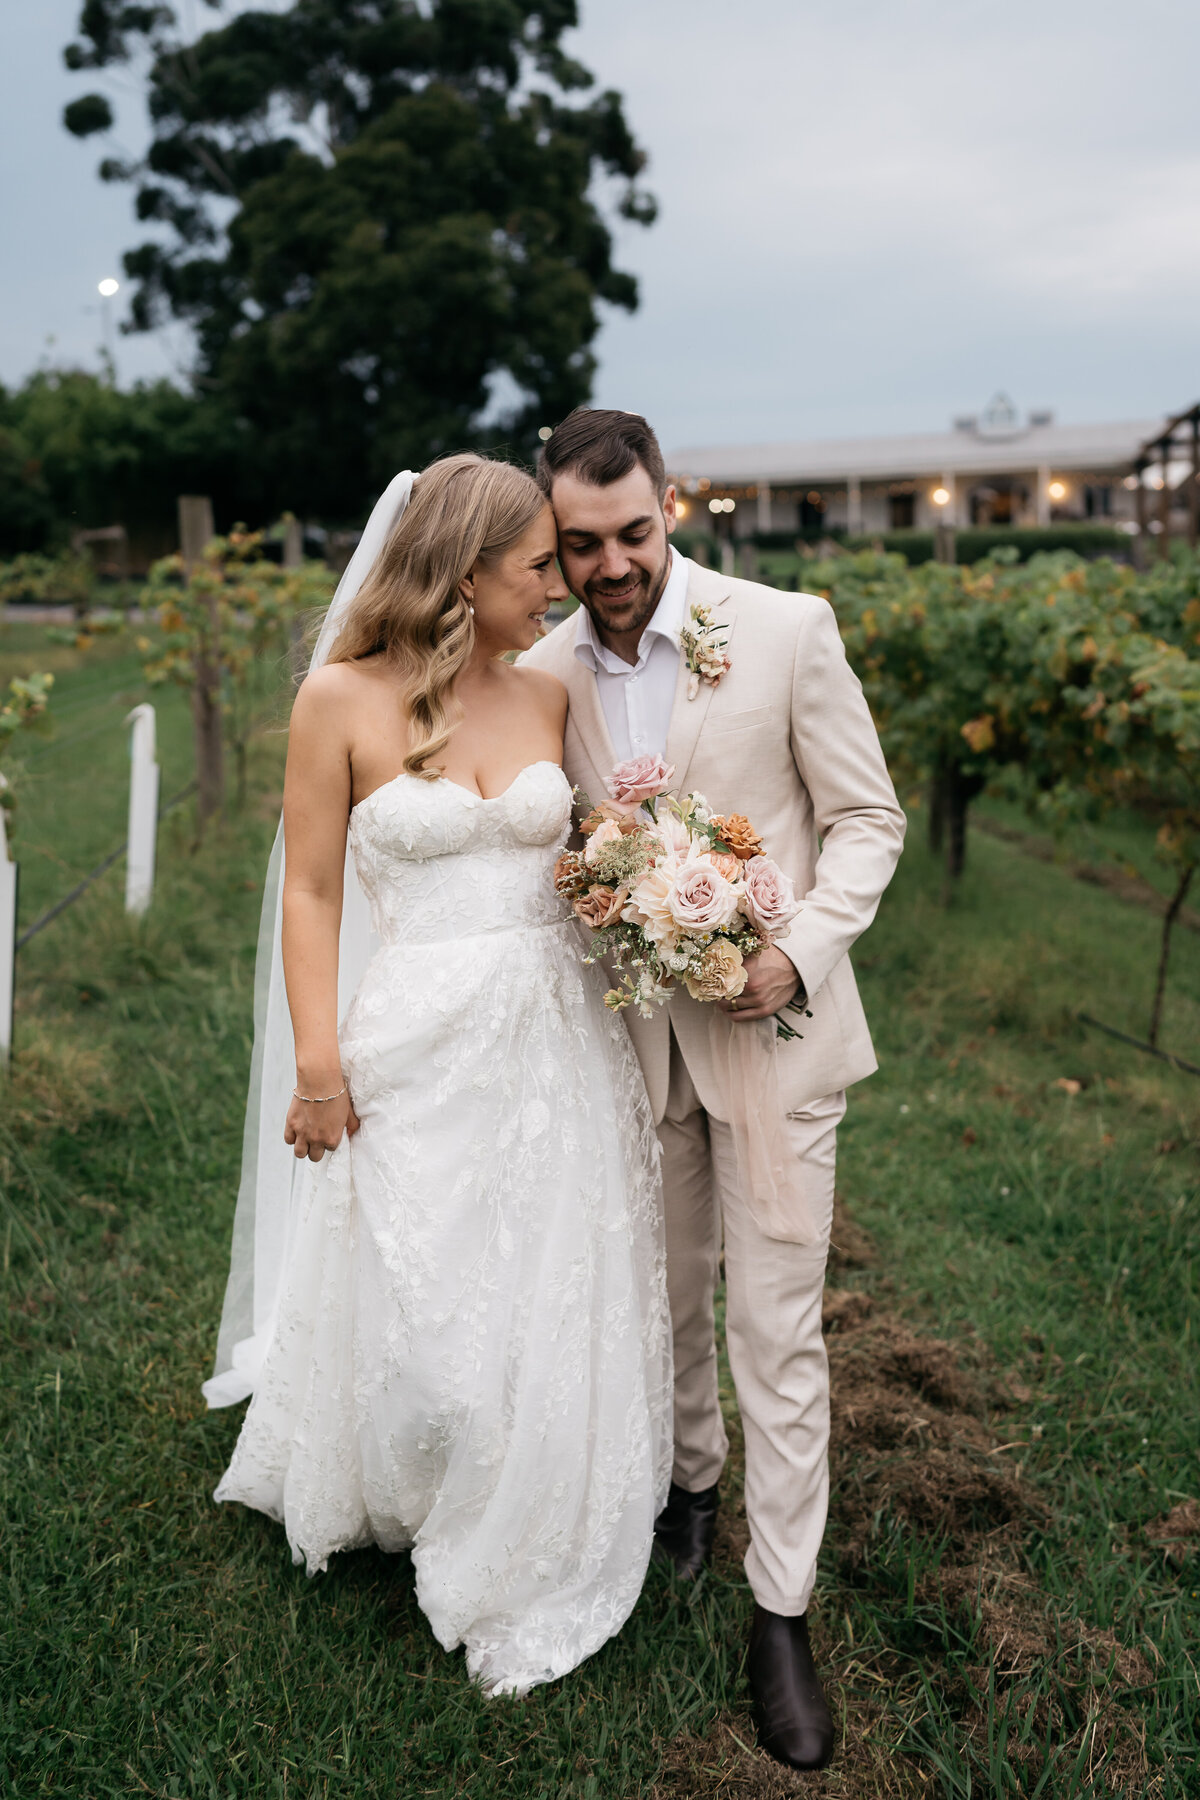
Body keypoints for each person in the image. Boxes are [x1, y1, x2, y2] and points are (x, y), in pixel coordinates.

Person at [205, 454, 672, 1697]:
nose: (562, 590)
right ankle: (408, 1470)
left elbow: (583, 857)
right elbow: (308, 890)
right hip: (411, 1032)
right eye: (538, 568)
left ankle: (527, 1502)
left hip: (552, 1036)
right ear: (466, 572)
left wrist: (641, 870)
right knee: (424, 1285)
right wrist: (317, 1063)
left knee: (541, 1278)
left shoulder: (548, 697)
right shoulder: (338, 701)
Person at [524, 410, 906, 1770]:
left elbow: (868, 819)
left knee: (776, 1327)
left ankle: (781, 1610)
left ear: (670, 506)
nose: (613, 564)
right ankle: (691, 1486)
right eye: (582, 544)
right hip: (632, 1048)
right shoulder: (542, 668)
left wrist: (793, 948)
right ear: (554, 539)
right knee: (667, 1291)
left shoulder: (786, 627)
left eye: (633, 533)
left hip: (774, 1037)